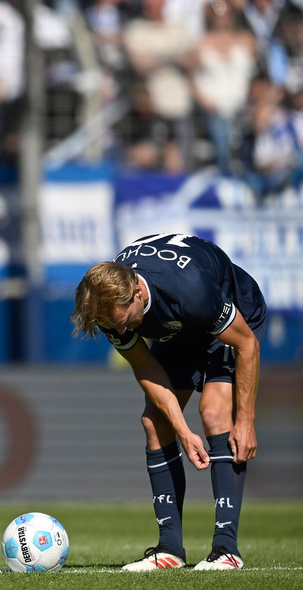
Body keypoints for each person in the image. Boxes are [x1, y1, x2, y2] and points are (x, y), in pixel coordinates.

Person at [72, 233, 267, 571]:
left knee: (213, 411)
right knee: (154, 422)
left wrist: (245, 422)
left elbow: (248, 345)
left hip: (232, 311)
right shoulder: (108, 308)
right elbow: (146, 366)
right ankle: (170, 550)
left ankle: (226, 549)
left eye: (121, 321)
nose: (119, 329)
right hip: (178, 328)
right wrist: (182, 431)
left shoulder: (190, 289)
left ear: (137, 292)